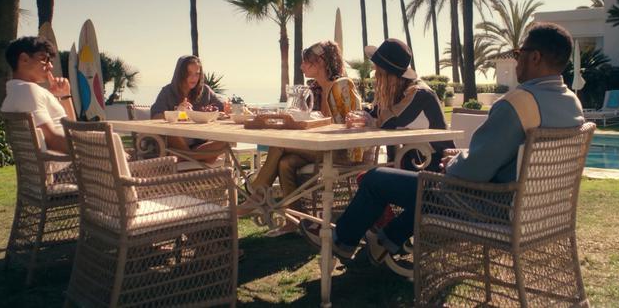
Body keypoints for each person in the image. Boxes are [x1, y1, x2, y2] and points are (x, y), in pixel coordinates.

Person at [301, 23, 585, 263]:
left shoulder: (519, 104)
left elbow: (472, 172)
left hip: (486, 205)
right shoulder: (572, 105)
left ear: (535, 57)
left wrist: (454, 162)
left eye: (518, 54)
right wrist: (462, 156)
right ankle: (386, 240)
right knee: (423, 185)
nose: (516, 60)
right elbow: (507, 157)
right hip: (532, 209)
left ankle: (341, 241)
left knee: (377, 179)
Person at [240, 41, 361, 236]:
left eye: (306, 62)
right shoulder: (315, 89)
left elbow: (353, 122)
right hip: (319, 147)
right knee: (286, 163)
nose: (301, 66)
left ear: (321, 61)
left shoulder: (342, 86)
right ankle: (295, 221)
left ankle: (258, 194)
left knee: (279, 146)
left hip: (342, 150)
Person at [360, 38, 453, 171]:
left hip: (433, 171)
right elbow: (376, 112)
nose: (375, 76)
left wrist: (367, 117)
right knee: (369, 176)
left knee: (369, 177)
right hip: (414, 164)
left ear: (390, 76)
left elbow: (390, 121)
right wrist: (362, 113)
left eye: (379, 72)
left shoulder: (420, 94)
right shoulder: (402, 91)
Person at [0, 36, 76, 152]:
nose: (50, 66)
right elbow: (52, 140)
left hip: (66, 162)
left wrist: (65, 96)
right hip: (68, 165)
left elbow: (73, 128)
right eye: (44, 59)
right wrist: (90, 151)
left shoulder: (16, 91)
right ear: (24, 59)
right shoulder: (28, 91)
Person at [150, 55, 231, 161]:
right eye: (189, 74)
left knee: (225, 142)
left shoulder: (205, 91)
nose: (194, 78)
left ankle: (188, 157)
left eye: (197, 74)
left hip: (199, 144)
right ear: (180, 74)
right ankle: (198, 157)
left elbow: (221, 109)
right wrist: (176, 112)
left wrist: (227, 109)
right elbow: (155, 117)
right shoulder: (167, 92)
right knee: (171, 131)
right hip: (176, 145)